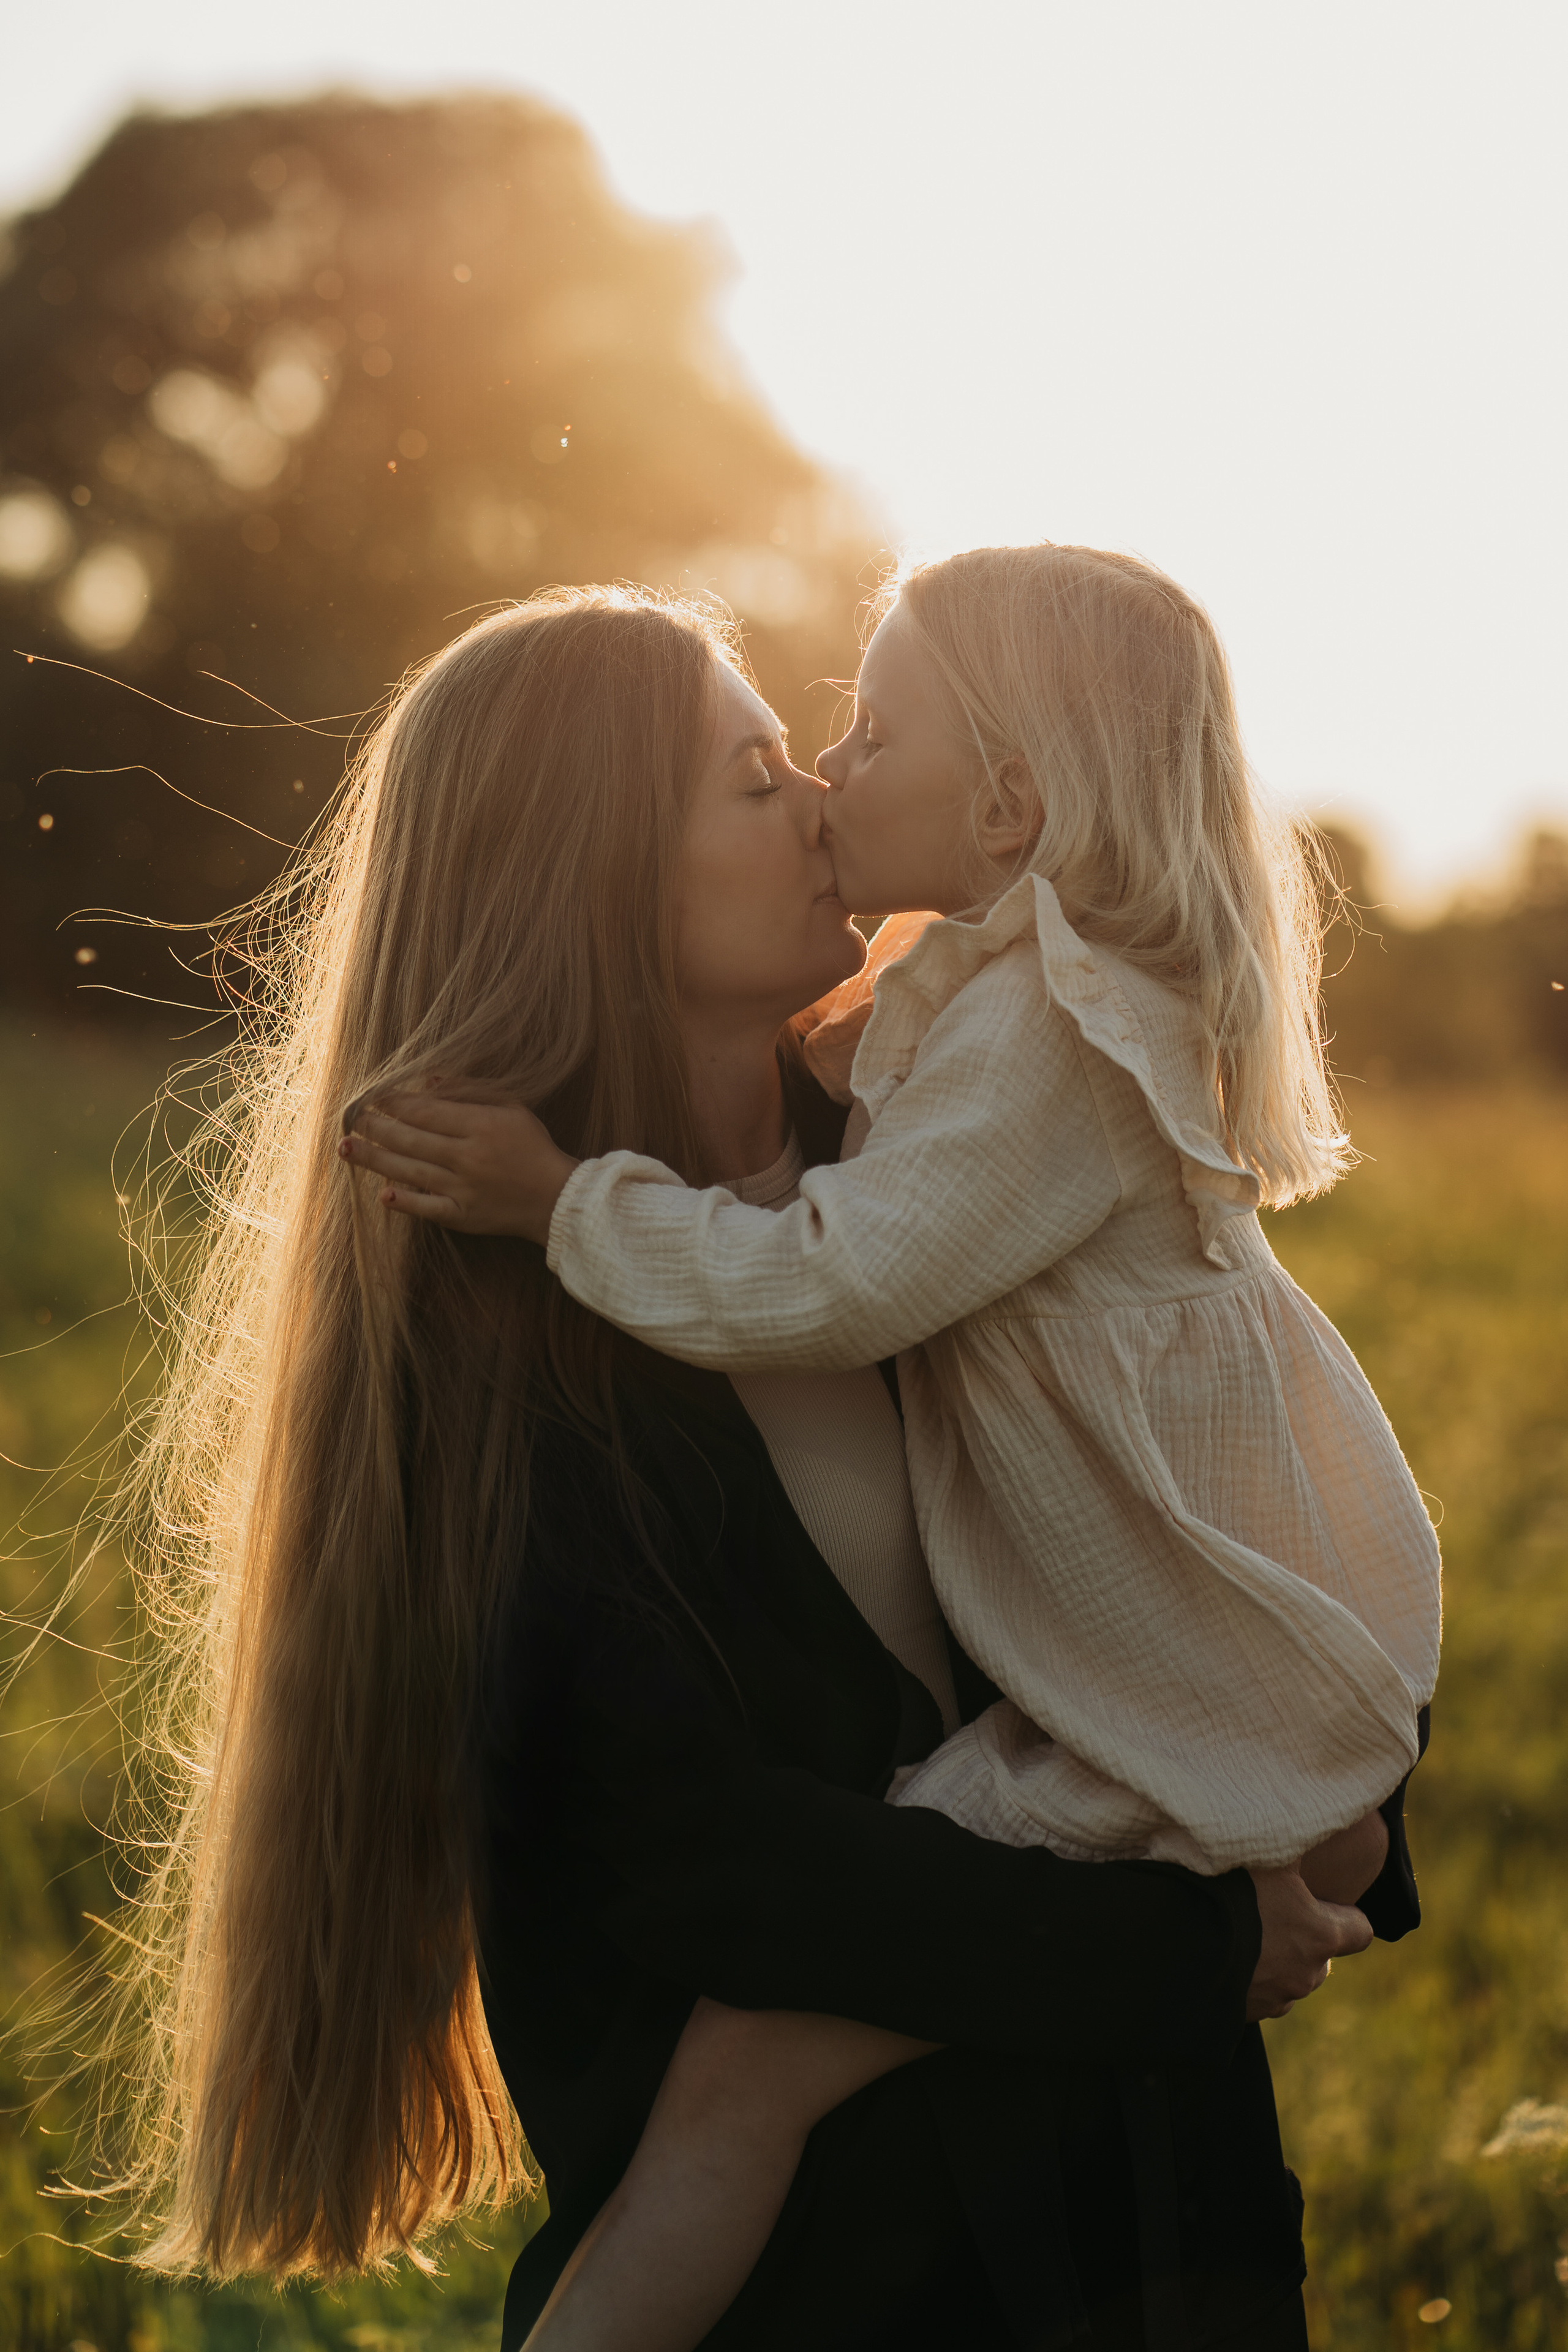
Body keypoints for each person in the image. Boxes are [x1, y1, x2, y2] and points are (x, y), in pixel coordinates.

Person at [342, 548, 1439, 2351]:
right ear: (595, 870)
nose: (827, 794)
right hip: (851, 2295)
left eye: (842, 741)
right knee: (737, 2088)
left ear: (1008, 796)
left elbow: (1234, 1524)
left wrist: (1328, 1832)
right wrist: (1188, 1939)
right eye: (763, 775)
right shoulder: (528, 1348)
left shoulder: (947, 1133)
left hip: (1161, 2233)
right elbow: (706, 1867)